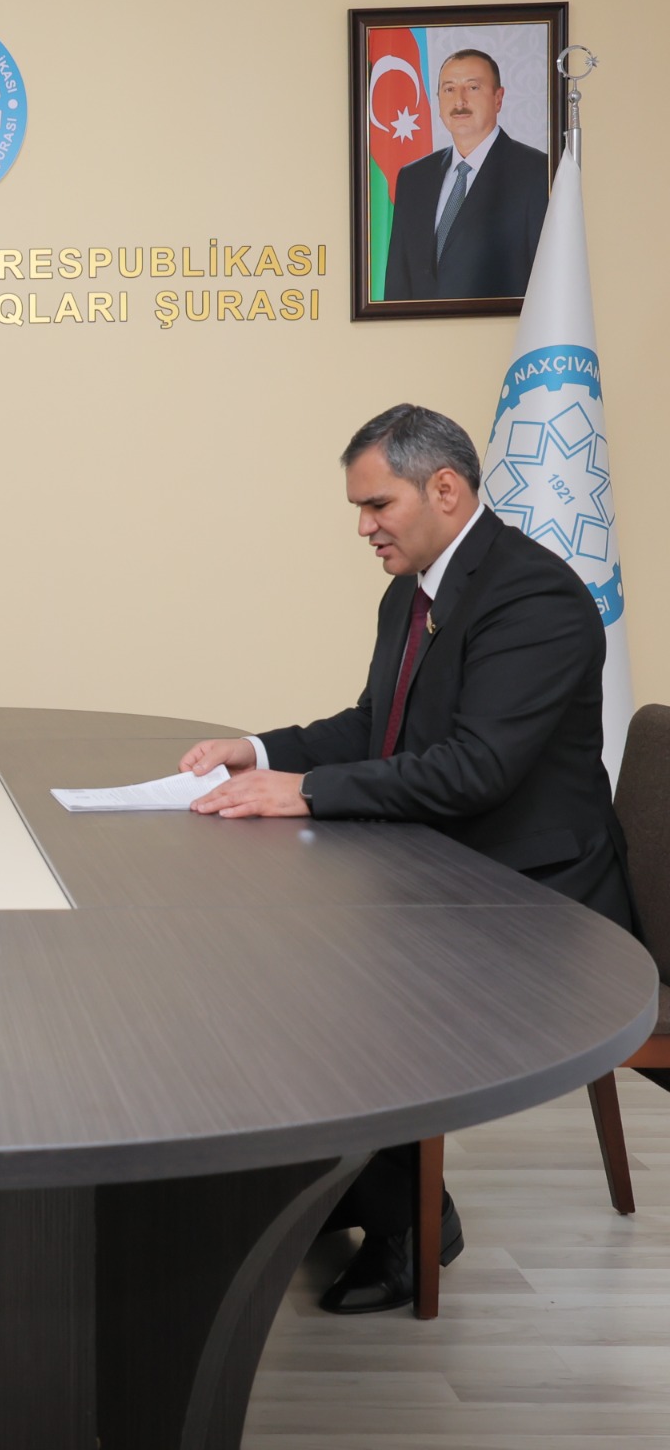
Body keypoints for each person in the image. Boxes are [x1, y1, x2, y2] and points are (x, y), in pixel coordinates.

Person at [178, 403, 631, 1314]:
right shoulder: (413, 592)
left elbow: (475, 768)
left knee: (340, 980)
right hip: (447, 864)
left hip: (537, 899)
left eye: (377, 504)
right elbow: (375, 727)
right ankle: (349, 1184)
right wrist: (259, 753)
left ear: (446, 489)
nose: (364, 527)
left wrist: (309, 792)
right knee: (270, 957)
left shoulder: (533, 600)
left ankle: (410, 1224)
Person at [383, 49, 550, 301]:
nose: (459, 101)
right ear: (438, 101)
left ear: (498, 98)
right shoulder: (413, 178)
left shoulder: (537, 172)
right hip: (422, 327)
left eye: (472, 88)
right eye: (449, 89)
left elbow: (547, 278)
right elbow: (398, 283)